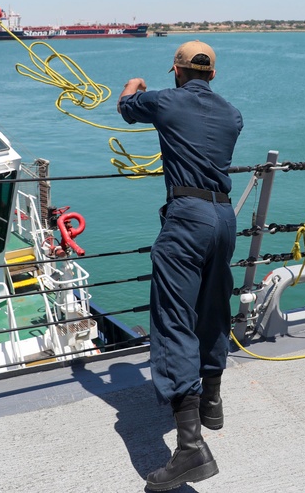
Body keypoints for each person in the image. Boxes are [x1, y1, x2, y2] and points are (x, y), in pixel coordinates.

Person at [117, 39, 243, 490]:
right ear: (213, 74)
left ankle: (189, 450)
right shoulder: (232, 114)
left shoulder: (165, 100)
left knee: (173, 321)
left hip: (187, 217)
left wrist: (133, 86)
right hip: (224, 217)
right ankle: (211, 402)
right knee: (213, 309)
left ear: (177, 71)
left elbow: (127, 107)